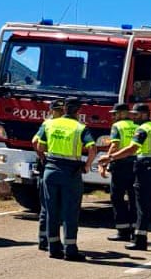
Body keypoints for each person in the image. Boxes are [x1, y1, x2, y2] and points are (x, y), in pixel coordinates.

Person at [99, 103, 151, 251]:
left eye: (136, 114)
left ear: (145, 114)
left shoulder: (143, 129)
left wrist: (110, 157)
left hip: (145, 169)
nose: (133, 117)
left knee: (142, 206)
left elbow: (132, 149)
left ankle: (140, 240)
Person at [35, 97, 96, 261]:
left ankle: (53, 248)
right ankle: (70, 249)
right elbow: (92, 148)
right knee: (70, 211)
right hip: (71, 173)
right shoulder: (80, 127)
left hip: (50, 170)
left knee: (51, 210)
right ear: (78, 111)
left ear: (64, 109)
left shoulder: (49, 124)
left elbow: (38, 145)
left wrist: (44, 160)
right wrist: (87, 166)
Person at [102, 103, 137, 242]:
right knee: (134, 199)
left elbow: (115, 146)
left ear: (123, 113)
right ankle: (135, 230)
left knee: (117, 197)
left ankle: (123, 231)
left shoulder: (118, 126)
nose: (113, 116)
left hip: (121, 165)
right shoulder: (137, 126)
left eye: (115, 113)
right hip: (135, 165)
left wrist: (106, 160)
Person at [32, 98, 64, 251]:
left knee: (47, 205)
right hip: (53, 166)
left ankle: (44, 239)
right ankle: (48, 239)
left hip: (48, 166)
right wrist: (43, 157)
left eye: (60, 110)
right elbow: (35, 142)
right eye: (58, 110)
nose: (59, 112)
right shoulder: (50, 124)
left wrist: (42, 156)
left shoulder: (47, 124)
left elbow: (35, 142)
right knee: (52, 206)